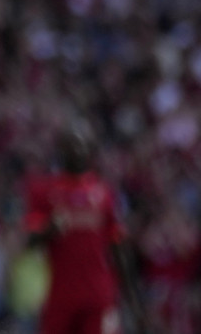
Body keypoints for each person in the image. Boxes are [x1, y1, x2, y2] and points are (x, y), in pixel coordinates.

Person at [23, 124, 149, 334]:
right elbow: (30, 242)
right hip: (61, 294)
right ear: (61, 149)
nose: (76, 150)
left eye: (81, 145)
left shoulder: (104, 193)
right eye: (70, 145)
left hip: (98, 294)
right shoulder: (44, 192)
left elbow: (118, 247)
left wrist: (133, 298)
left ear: (90, 149)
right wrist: (49, 229)